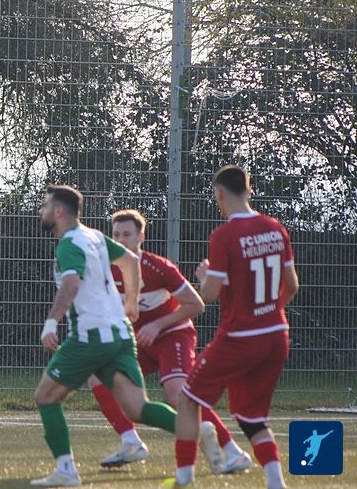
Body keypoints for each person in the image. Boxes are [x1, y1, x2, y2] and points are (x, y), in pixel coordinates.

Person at [30, 186, 177, 488]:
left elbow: (71, 285)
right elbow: (131, 261)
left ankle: (66, 470)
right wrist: (131, 302)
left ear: (59, 211)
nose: (41, 211)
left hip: (91, 335)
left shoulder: (69, 244)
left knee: (46, 397)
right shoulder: (94, 236)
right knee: (137, 408)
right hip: (121, 334)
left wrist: (50, 323)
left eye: (45, 205)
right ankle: (206, 435)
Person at [162, 165, 299, 489]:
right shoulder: (275, 229)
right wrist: (267, 312)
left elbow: (209, 293)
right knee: (251, 416)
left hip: (240, 337)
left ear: (220, 194)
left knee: (188, 400)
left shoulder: (224, 235)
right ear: (249, 190)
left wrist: (204, 277)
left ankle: (183, 478)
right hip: (276, 334)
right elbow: (291, 285)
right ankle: (276, 482)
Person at [88, 209, 252, 474]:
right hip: (138, 340)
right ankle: (131, 442)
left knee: (179, 394)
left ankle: (234, 452)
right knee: (97, 375)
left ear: (141, 236)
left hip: (172, 335)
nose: (120, 240)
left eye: (127, 234)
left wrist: (157, 325)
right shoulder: (104, 270)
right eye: (116, 235)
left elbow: (196, 304)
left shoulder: (158, 267)